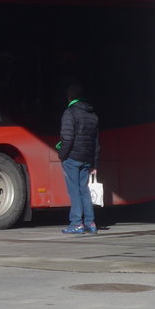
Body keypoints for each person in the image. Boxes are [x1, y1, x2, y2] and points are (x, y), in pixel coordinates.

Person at [58, 83, 100, 235]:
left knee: (74, 191)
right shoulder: (92, 114)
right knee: (84, 190)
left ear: (69, 96)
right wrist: (94, 163)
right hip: (86, 158)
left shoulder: (70, 113)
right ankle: (91, 222)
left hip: (73, 158)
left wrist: (62, 155)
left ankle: (76, 223)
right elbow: (96, 142)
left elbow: (67, 138)